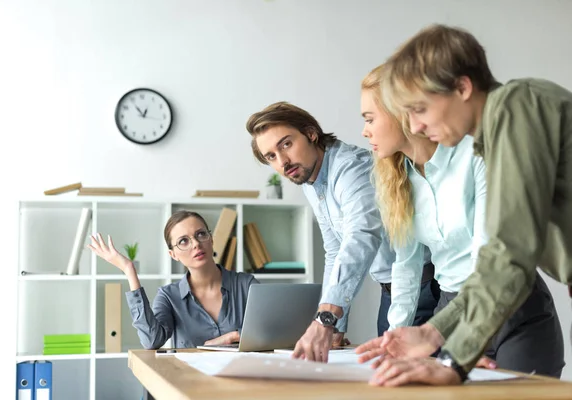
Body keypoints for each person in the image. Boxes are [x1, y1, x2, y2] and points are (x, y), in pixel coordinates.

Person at [356, 23, 572, 386]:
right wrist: (434, 333)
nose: (416, 127)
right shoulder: (498, 135)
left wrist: (452, 361)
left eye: (420, 109)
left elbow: (509, 251)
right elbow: (499, 258)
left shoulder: (516, 107)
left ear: (462, 87)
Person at [246, 102, 440, 362]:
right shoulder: (311, 181)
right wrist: (337, 324)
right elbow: (335, 251)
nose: (282, 161)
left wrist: (326, 319)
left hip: (425, 291)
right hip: (391, 294)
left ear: (311, 133)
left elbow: (361, 236)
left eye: (286, 144)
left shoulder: (351, 168)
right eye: (271, 156)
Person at [88, 210, 259, 349]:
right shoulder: (169, 296)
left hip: (242, 383)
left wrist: (233, 336)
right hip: (189, 385)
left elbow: (273, 333)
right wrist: (129, 270)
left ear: (211, 239)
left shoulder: (246, 285)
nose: (196, 244)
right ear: (173, 254)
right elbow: (152, 341)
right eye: (183, 241)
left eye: (201, 234)